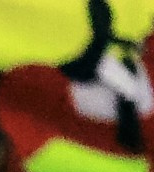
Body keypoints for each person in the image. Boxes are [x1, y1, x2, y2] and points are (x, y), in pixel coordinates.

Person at [60, 0, 149, 152]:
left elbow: (105, 35)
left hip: (94, 57)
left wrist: (127, 43)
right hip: (91, 62)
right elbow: (103, 35)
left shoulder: (98, 6)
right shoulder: (98, 7)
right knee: (127, 91)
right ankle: (129, 137)